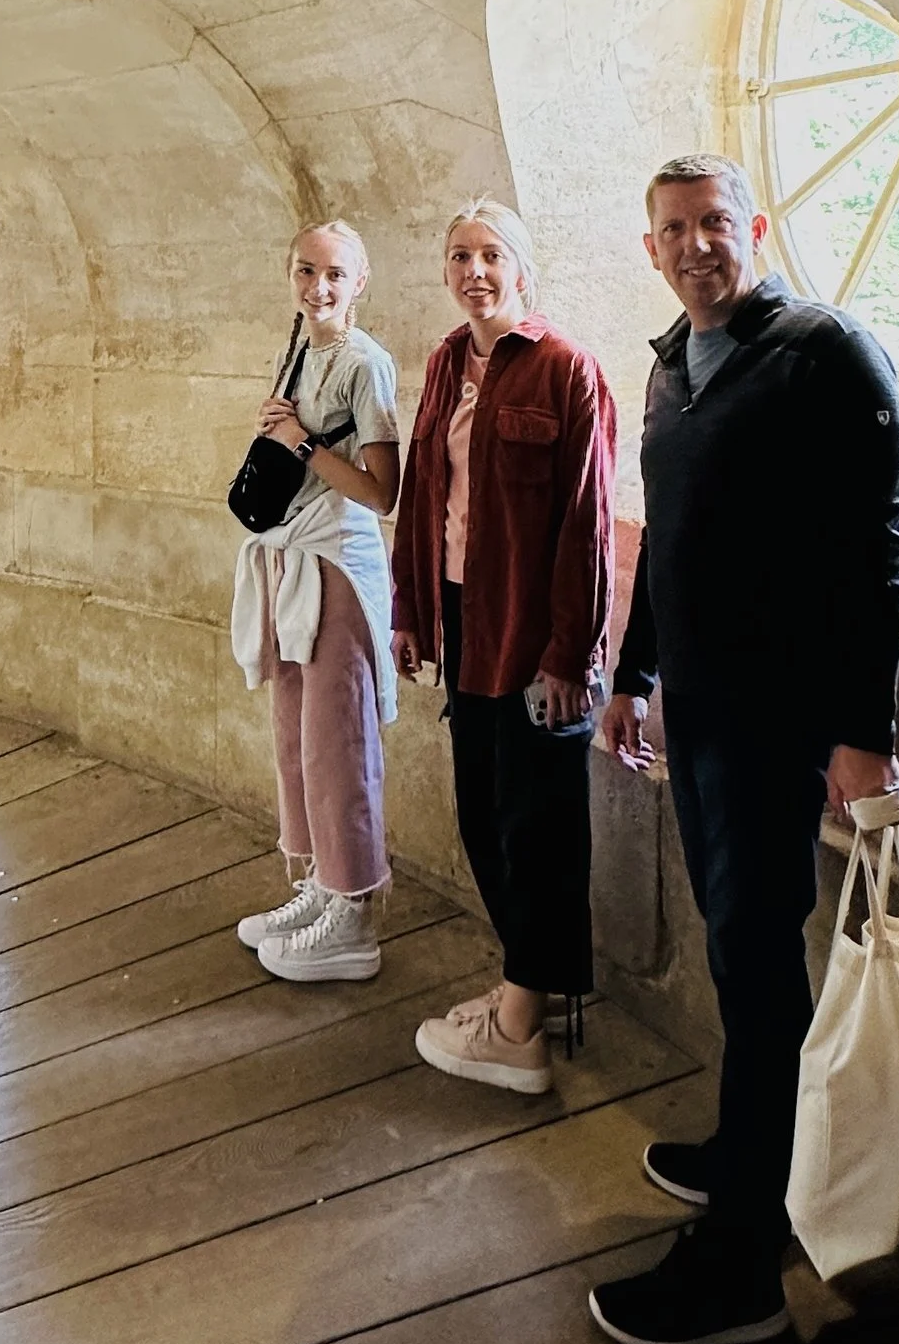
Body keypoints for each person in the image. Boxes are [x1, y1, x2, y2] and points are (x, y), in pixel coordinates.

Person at [590, 153, 899, 1344]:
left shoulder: (822, 355)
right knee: (735, 947)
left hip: (780, 723)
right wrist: (633, 674)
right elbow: (669, 538)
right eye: (671, 228)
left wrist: (862, 736)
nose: (693, 245)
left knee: (760, 954)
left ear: (752, 227)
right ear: (651, 247)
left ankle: (740, 1267)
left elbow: (872, 555)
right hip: (700, 719)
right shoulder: (673, 362)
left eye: (713, 222)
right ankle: (745, 1152)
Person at [391, 199, 615, 1093]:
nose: (474, 271)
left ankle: (521, 1025)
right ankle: (525, 990)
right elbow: (423, 498)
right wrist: (413, 610)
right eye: (459, 256)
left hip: (533, 632)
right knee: (484, 819)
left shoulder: (566, 369)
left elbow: (586, 524)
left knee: (538, 829)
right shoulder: (448, 363)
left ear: (522, 269)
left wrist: (571, 655)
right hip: (462, 615)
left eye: (490, 255)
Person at [230, 221, 403, 982]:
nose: (319, 288)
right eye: (306, 270)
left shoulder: (366, 363)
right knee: (296, 726)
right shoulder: (300, 344)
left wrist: (300, 442)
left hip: (336, 558)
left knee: (338, 736)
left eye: (335, 274)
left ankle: (355, 910)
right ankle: (319, 881)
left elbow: (382, 492)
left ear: (360, 280)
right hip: (291, 554)